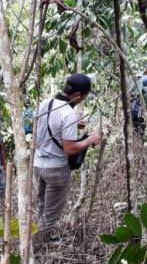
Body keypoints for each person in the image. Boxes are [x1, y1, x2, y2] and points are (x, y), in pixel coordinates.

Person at [33, 74, 102, 244]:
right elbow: (69, 149)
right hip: (56, 169)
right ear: (78, 95)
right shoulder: (68, 113)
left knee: (41, 207)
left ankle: (38, 241)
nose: (83, 99)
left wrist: (71, 127)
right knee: (50, 214)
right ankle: (36, 250)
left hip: (37, 164)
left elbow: (41, 127)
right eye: (84, 96)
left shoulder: (45, 104)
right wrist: (89, 140)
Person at [131, 60, 147, 136]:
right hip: (143, 109)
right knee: (141, 129)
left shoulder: (144, 79)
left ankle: (137, 143)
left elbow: (134, 92)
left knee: (136, 129)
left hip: (137, 108)